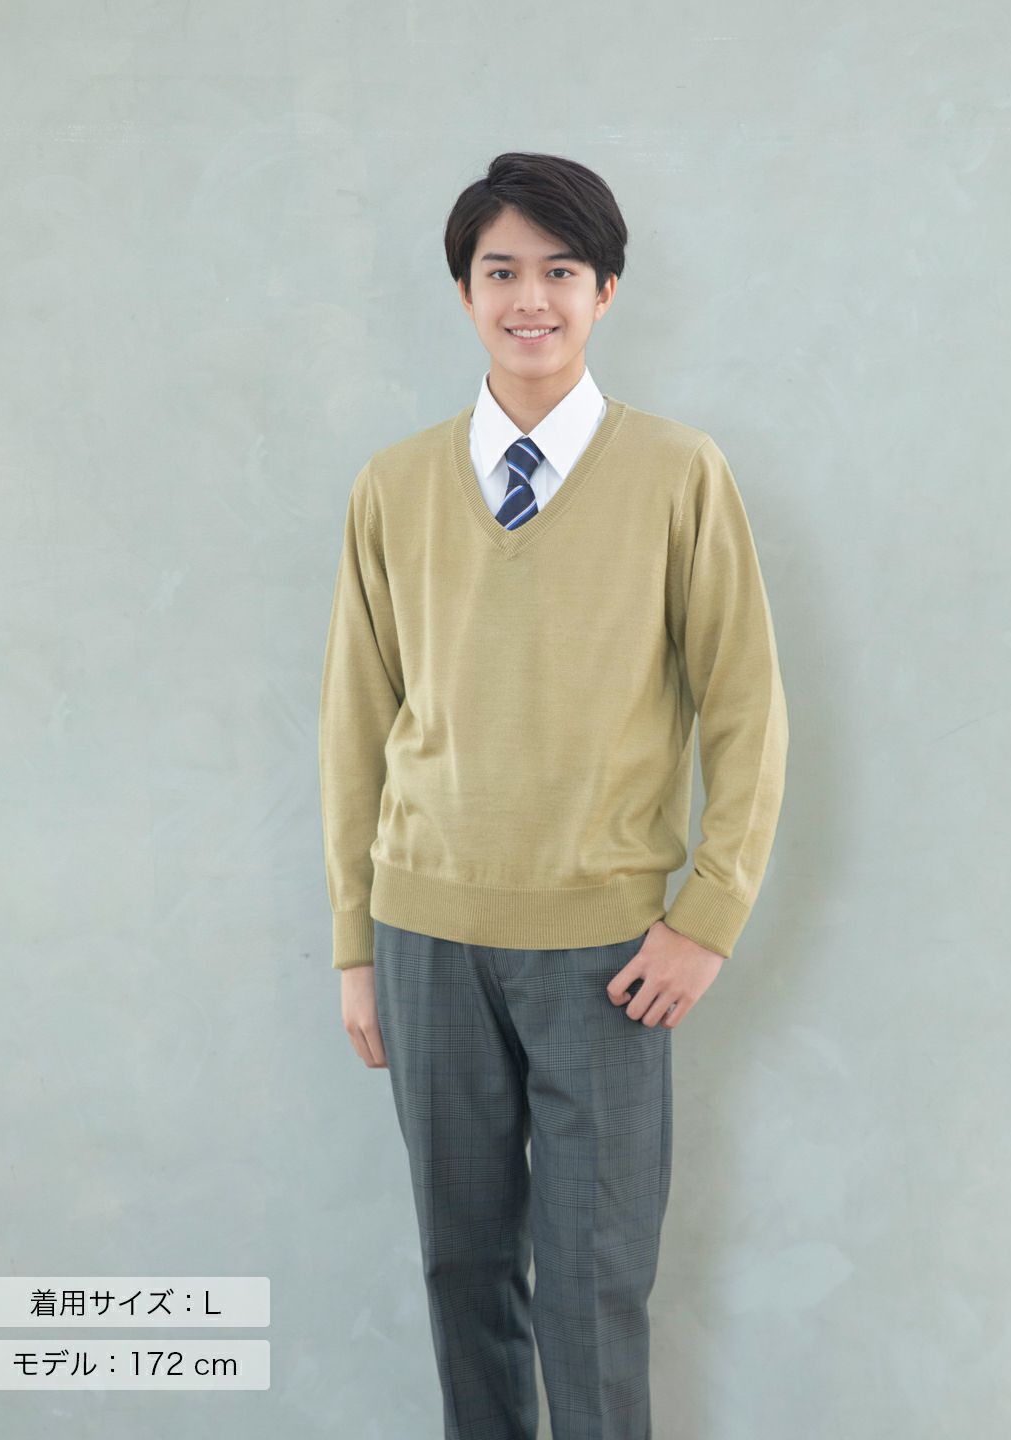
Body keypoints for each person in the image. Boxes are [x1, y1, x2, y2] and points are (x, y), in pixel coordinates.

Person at [318, 150, 788, 1440]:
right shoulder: (393, 486)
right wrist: (357, 944)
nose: (531, 298)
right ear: (465, 292)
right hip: (425, 939)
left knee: (592, 1285)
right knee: (461, 1269)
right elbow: (357, 727)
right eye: (501, 271)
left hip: (609, 952)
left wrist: (706, 917)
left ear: (606, 290)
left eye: (561, 270)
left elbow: (747, 708)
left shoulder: (679, 474)